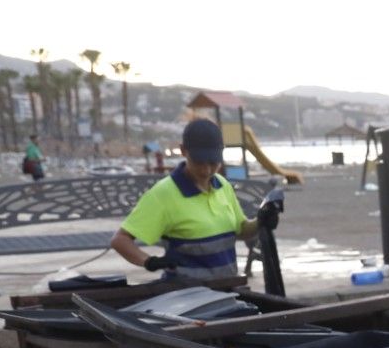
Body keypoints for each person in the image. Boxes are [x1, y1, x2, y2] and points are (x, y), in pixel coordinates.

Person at [107, 118, 275, 281]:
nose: (207, 170)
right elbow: (120, 240)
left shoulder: (223, 185)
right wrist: (150, 262)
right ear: (183, 151)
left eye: (213, 162)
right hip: (186, 295)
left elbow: (240, 231)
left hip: (226, 286)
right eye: (199, 162)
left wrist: (261, 220)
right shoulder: (163, 194)